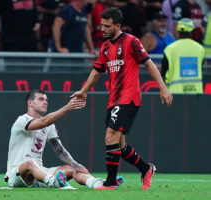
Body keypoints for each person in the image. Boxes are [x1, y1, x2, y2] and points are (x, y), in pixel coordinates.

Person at [71, 7, 173, 190]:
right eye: (101, 25)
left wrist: (163, 87)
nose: (102, 29)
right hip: (114, 99)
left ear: (117, 26)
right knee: (120, 145)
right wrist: (84, 91)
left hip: (129, 98)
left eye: (106, 26)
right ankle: (146, 168)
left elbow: (149, 64)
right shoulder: (105, 47)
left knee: (110, 136)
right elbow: (96, 72)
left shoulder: (131, 41)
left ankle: (110, 183)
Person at [5, 89, 124, 188]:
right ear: (29, 103)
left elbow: (58, 149)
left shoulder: (49, 126)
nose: (45, 102)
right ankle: (56, 183)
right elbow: (43, 122)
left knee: (73, 169)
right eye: (41, 99)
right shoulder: (22, 120)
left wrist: (75, 164)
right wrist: (67, 108)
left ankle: (100, 184)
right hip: (17, 174)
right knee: (30, 163)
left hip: (39, 174)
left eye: (46, 100)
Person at [161, 18, 205, 93]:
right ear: (191, 31)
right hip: (196, 92)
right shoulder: (200, 48)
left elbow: (163, 71)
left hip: (175, 91)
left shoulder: (170, 49)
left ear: (178, 30)